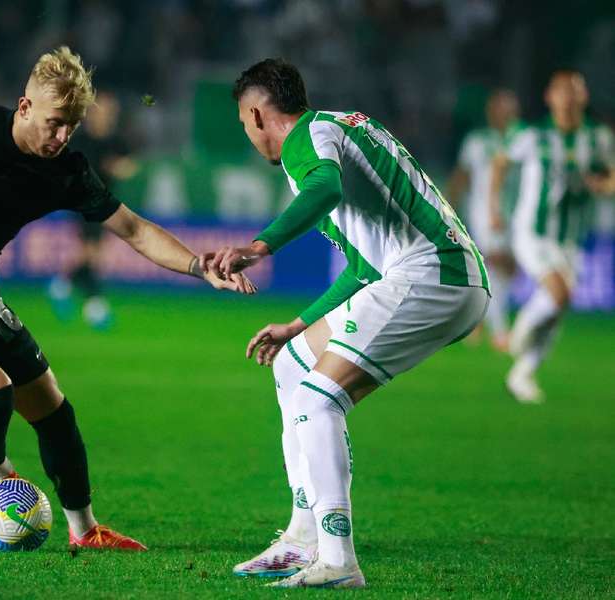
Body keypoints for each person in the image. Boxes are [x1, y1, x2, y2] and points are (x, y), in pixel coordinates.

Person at [0, 47, 254, 551]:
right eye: (55, 123)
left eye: (72, 127)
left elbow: (133, 229)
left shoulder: (66, 173)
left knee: (55, 412)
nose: (62, 138)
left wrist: (197, 266)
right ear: (24, 107)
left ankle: (86, 532)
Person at [201, 59, 489, 588]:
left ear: (258, 113)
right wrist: (297, 324)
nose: (248, 133)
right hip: (438, 275)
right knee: (292, 365)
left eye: (245, 122)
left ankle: (337, 560)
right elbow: (364, 267)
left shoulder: (306, 141)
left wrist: (258, 246)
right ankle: (302, 536)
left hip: (432, 275)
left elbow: (325, 190)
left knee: (316, 401)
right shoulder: (339, 128)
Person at [490, 70, 615, 404]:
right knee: (559, 294)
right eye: (563, 91)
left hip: (571, 237)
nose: (569, 97)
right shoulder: (533, 135)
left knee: (559, 307)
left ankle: (522, 374)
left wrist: (603, 186)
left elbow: (610, 175)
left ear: (584, 96)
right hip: (532, 233)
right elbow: (501, 163)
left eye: (575, 90)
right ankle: (518, 337)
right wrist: (494, 208)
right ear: (550, 97)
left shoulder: (598, 137)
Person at [48, 90, 138, 329]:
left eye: (111, 111)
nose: (107, 115)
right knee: (92, 255)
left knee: (91, 256)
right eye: (103, 110)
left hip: (106, 203)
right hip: (84, 201)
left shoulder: (117, 140)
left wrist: (122, 168)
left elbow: (128, 165)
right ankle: (94, 306)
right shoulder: (81, 140)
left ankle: (63, 286)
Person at [446, 89, 520, 351]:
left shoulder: (522, 140)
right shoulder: (477, 141)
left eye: (509, 108)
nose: (504, 113)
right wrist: (450, 208)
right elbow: (462, 175)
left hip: (517, 216)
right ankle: (500, 332)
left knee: (503, 271)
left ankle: (474, 320)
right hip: (485, 214)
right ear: (491, 111)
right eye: (499, 108)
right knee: (496, 264)